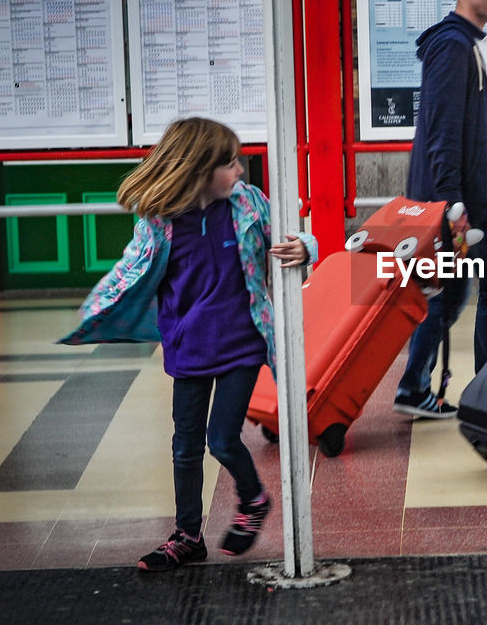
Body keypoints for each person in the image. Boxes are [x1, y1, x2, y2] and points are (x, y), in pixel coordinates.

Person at [59, 118, 318, 571]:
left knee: (222, 439)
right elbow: (131, 270)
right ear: (199, 169)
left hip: (242, 343)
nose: (239, 170)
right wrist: (96, 312)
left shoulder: (248, 205)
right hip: (188, 345)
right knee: (185, 446)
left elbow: (292, 236)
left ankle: (253, 499)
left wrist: (306, 248)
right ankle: (187, 536)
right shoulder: (160, 221)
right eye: (229, 163)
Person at [394, 0, 487, 418]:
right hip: (470, 203)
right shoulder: (452, 45)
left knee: (449, 295)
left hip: (472, 193)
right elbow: (442, 131)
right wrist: (451, 204)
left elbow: (468, 122)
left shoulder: (471, 41)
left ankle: (412, 387)